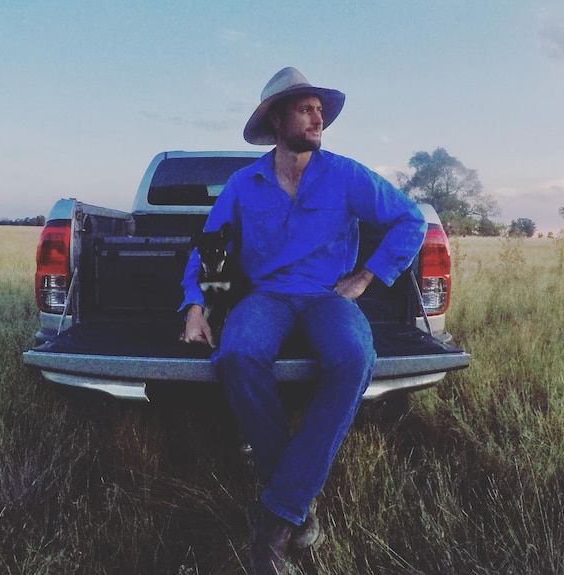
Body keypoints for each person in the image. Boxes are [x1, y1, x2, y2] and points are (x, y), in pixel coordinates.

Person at [179, 67, 427, 574]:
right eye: (306, 108)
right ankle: (290, 494)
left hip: (327, 296)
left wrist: (366, 277)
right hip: (268, 295)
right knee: (240, 353)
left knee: (355, 357)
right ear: (276, 117)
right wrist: (196, 306)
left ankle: (274, 518)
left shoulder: (345, 174)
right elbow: (215, 249)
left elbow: (411, 219)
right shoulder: (244, 184)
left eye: (320, 110)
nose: (318, 118)